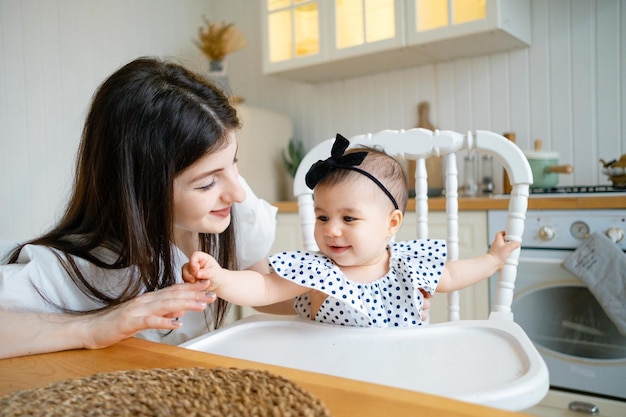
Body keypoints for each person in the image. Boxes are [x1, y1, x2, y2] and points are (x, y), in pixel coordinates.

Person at [0, 57, 284, 359]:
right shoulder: (80, 268)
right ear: (141, 189)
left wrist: (325, 285)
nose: (238, 193)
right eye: (206, 184)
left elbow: (264, 290)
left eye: (234, 164)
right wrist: (94, 327)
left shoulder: (230, 211)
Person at [183, 134, 520, 327]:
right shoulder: (316, 269)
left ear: (391, 224)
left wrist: (492, 260)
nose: (332, 231)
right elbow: (263, 288)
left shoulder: (407, 265)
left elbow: (453, 275)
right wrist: (220, 278)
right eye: (322, 217)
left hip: (401, 370)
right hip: (334, 374)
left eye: (349, 219)